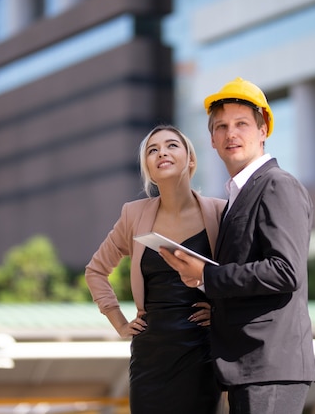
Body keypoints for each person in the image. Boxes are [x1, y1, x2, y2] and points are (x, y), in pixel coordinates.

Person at [160, 77, 315, 414]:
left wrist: (207, 276)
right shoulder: (237, 195)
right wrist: (215, 306)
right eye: (221, 127)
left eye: (242, 124)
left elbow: (285, 272)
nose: (231, 133)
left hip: (269, 363)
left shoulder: (277, 185)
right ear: (212, 140)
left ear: (263, 131)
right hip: (249, 365)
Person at [84, 124, 227, 414]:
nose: (162, 151)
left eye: (172, 145)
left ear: (191, 159)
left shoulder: (221, 212)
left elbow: (240, 276)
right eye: (153, 149)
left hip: (202, 348)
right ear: (148, 168)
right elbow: (95, 271)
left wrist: (223, 311)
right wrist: (119, 322)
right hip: (151, 353)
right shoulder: (133, 215)